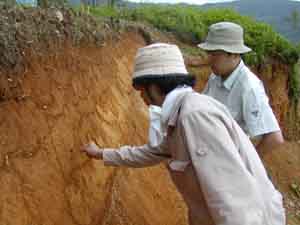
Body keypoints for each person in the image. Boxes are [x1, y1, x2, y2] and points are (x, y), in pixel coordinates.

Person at [81, 43, 285, 225]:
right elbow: (151, 153)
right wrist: (101, 154)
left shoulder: (194, 116)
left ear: (155, 85)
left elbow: (231, 199)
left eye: (142, 90)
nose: (142, 96)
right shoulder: (182, 113)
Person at [198, 22, 284, 156]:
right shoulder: (216, 77)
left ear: (233, 54)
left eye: (214, 54)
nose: (209, 59)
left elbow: (274, 138)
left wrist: (244, 166)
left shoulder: (249, 88)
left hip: (228, 162)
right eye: (208, 53)